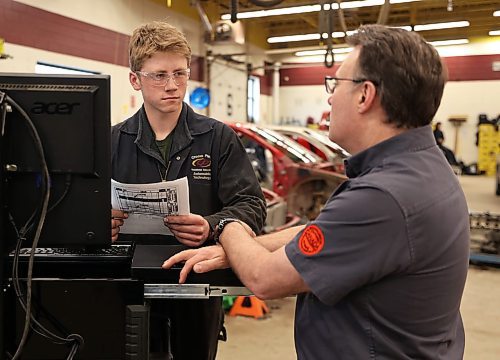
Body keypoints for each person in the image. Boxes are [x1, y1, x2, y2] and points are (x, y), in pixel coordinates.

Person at [163, 24, 470, 359]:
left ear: (365, 95)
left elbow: (264, 279)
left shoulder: (383, 196)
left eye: (336, 83)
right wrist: (240, 250)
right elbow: (323, 234)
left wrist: (227, 226)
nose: (330, 96)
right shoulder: (422, 167)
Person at [111, 20, 266, 360]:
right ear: (135, 79)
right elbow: (79, 208)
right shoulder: (112, 142)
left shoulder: (217, 138)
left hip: (198, 283)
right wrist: (95, 224)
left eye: (179, 73)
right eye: (159, 75)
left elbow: (252, 206)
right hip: (131, 285)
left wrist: (212, 225)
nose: (173, 86)